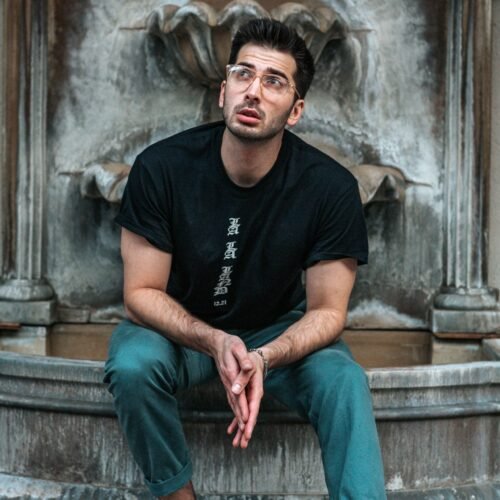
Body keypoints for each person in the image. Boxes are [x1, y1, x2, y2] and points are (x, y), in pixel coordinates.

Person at [104, 18, 386, 500]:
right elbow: (140, 294)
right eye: (243, 74)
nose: (253, 91)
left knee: (344, 381)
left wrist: (265, 356)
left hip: (277, 332)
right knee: (133, 365)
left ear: (296, 110)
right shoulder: (161, 168)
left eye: (273, 81)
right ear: (223, 91)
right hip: (182, 331)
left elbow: (328, 311)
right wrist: (214, 340)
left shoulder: (331, 189)